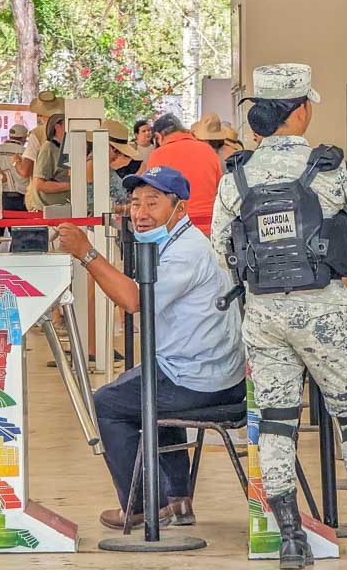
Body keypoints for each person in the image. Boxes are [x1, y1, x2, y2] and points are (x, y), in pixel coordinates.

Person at [211, 63, 347, 568]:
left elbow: (222, 249)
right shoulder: (329, 169)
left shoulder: (237, 175)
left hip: (263, 315)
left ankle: (290, 541)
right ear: (301, 109)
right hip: (323, 310)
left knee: (277, 423)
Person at [56, 166, 245, 531]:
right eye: (135, 203)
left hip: (204, 380)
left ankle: (144, 506)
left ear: (180, 209)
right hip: (199, 369)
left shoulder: (187, 252)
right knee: (147, 386)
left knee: (106, 404)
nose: (140, 213)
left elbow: (133, 300)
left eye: (153, 204)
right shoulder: (171, 243)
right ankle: (177, 501)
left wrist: (86, 252)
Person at [145, 114, 222, 235]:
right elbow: (220, 188)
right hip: (210, 227)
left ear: (158, 136)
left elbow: (152, 194)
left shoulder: (157, 155)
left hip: (177, 228)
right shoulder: (208, 151)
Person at [31, 106, 71, 209]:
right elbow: (40, 185)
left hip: (62, 210)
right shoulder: (48, 148)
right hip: (49, 212)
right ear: (57, 127)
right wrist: (72, 185)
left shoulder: (65, 149)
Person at [18, 91, 62, 182]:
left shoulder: (37, 133)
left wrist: (16, 161)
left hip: (43, 190)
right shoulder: (70, 129)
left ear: (40, 115)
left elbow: (25, 171)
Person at [0, 123, 29, 212]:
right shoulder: (26, 152)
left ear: (10, 136)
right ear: (24, 138)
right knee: (21, 225)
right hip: (22, 197)